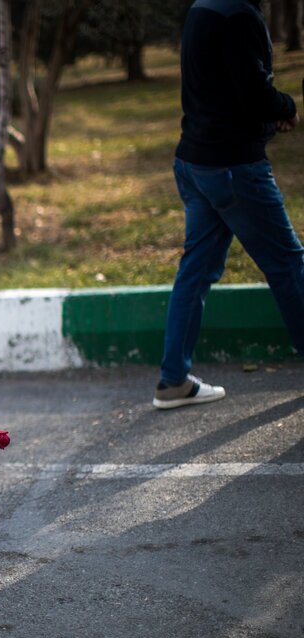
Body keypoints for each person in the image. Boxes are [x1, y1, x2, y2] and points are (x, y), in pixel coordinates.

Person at [154, 0, 304, 410]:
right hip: (232, 168)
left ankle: (173, 380)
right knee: (288, 263)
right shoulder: (237, 15)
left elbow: (221, 90)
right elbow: (253, 93)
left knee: (197, 270)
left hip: (195, 161)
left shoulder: (204, 7)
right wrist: (285, 108)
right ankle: (173, 380)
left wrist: (267, 119)